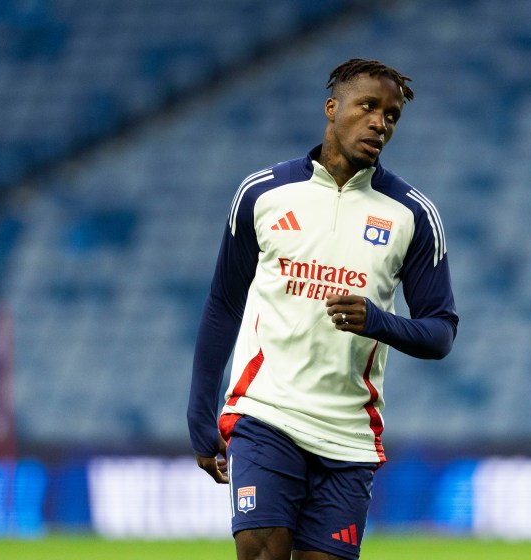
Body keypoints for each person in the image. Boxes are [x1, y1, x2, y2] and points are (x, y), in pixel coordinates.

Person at [187, 58, 458, 560]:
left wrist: (377, 321)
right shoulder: (263, 194)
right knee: (262, 552)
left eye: (392, 116)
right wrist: (199, 414)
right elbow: (224, 303)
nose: (381, 123)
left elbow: (440, 332)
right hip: (266, 413)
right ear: (333, 109)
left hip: (348, 433)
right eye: (369, 107)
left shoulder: (412, 216)